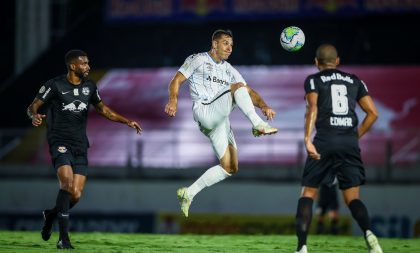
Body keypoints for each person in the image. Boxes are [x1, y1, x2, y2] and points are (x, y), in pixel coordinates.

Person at [27, 49, 142, 249]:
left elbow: (103, 109)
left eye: (88, 63)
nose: (88, 67)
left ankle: (51, 215)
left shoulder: (90, 86)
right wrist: (34, 115)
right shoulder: (54, 85)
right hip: (59, 141)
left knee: (76, 194)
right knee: (67, 184)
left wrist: (127, 122)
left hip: (80, 144)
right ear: (73, 66)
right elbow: (33, 106)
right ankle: (64, 239)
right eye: (84, 64)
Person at [165, 29, 278, 218]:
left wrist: (264, 106)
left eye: (232, 45)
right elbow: (176, 80)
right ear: (215, 44)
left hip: (219, 120)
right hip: (204, 111)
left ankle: (188, 193)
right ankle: (258, 125)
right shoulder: (198, 59)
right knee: (237, 87)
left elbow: (248, 91)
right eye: (226, 43)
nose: (229, 48)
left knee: (230, 167)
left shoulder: (229, 69)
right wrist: (173, 100)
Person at [293, 44, 383, 253]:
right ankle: (369, 234)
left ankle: (302, 247)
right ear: (338, 61)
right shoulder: (355, 80)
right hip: (348, 143)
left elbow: (312, 108)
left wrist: (307, 139)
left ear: (316, 62)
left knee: (308, 193)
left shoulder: (314, 79)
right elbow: (373, 114)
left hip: (324, 141)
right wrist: (355, 136)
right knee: (352, 198)